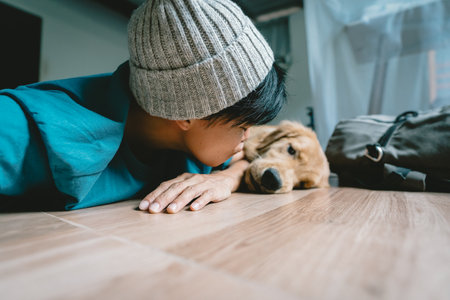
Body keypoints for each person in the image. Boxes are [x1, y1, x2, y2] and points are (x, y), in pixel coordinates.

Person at [0, 0, 286, 213]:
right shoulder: (23, 128)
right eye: (243, 126)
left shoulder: (193, 137)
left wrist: (225, 180)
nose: (248, 138)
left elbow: (244, 160)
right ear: (187, 112)